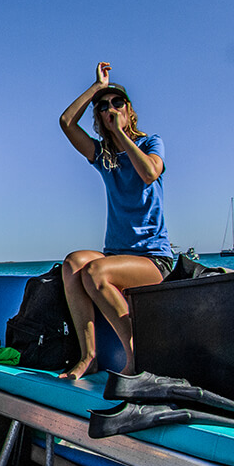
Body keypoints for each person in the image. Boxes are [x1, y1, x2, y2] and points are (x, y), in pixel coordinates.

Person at [57, 62, 172, 380]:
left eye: (117, 102)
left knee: (95, 272)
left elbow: (149, 173)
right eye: (103, 106)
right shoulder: (102, 155)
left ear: (129, 109)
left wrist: (120, 132)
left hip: (153, 259)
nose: (110, 108)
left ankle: (136, 356)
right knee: (72, 263)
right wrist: (96, 87)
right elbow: (66, 122)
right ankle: (89, 356)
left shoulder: (151, 143)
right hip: (117, 256)